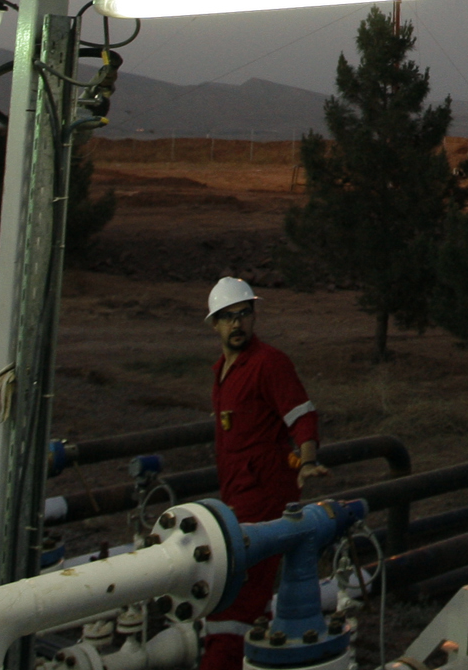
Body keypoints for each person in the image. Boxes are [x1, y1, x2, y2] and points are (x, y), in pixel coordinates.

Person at [198, 276, 327, 670]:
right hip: (236, 495)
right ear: (215, 324)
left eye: (244, 314)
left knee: (241, 592)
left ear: (254, 317)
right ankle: (256, 651)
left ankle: (223, 660)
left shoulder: (269, 363)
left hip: (266, 494)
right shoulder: (222, 369)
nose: (237, 324)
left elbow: (300, 415)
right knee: (243, 586)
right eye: (227, 317)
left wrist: (306, 460)